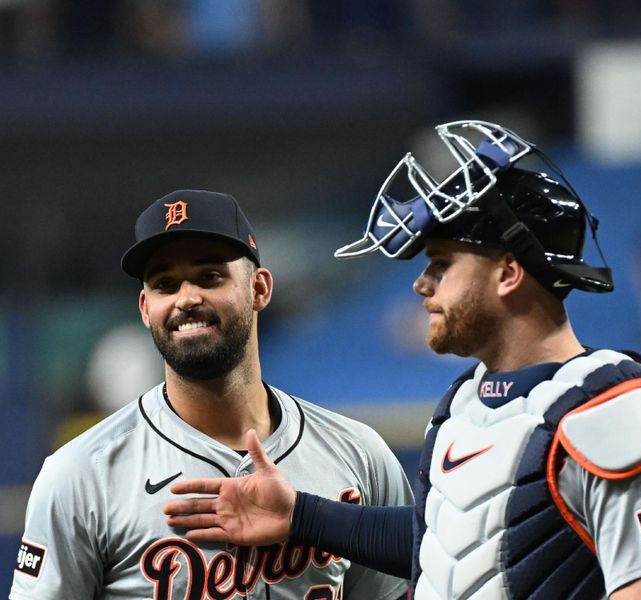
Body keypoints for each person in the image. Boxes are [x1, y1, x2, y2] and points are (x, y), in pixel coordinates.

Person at [163, 122, 641, 599]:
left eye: (442, 264)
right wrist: (301, 516)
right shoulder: (465, 405)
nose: (422, 284)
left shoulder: (611, 412)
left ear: (508, 273)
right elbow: (453, 545)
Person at [10, 190, 413, 599]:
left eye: (209, 276)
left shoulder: (359, 454)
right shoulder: (82, 472)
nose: (186, 298)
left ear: (259, 288)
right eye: (165, 284)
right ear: (146, 307)